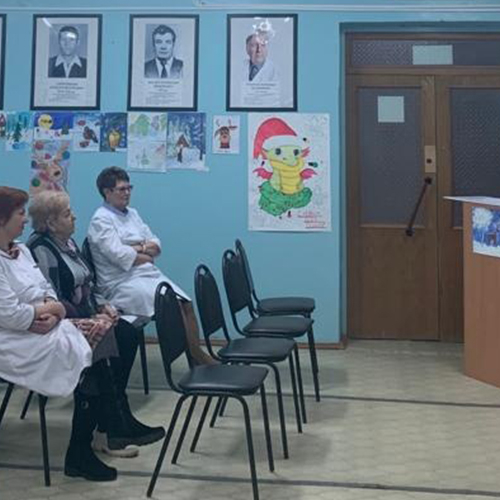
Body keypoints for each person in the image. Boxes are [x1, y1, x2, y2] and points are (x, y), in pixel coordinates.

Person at [0, 186, 164, 483]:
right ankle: (98, 435)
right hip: (16, 339)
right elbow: (12, 315)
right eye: (20, 214)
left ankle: (93, 439)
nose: (25, 220)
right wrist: (49, 311)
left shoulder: (21, 251)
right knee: (95, 350)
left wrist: (52, 310)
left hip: (47, 325)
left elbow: (47, 290)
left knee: (103, 340)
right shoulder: (33, 249)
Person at [87, 166, 215, 365]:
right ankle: (197, 358)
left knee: (186, 303)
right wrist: (144, 253)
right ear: (107, 192)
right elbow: (120, 256)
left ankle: (196, 354)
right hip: (121, 283)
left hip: (147, 275)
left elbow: (156, 243)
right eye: (122, 189)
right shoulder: (100, 220)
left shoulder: (132, 214)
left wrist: (139, 249)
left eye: (129, 188)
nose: (127, 193)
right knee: (172, 306)